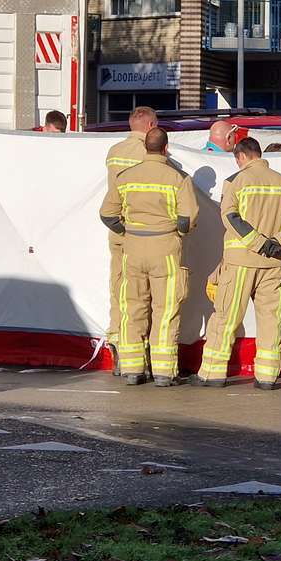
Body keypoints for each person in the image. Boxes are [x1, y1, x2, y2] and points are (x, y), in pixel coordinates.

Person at [197, 137, 281, 389]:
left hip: (240, 263)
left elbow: (230, 217)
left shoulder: (236, 181)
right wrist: (278, 242)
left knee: (225, 318)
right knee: (271, 321)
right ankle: (267, 377)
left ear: (241, 157)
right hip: (274, 265)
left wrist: (258, 242)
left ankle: (212, 374)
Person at [99, 127, 198, 385]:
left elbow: (107, 214)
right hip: (164, 247)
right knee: (165, 309)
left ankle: (133, 370)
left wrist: (128, 230)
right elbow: (188, 219)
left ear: (145, 148)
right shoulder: (178, 178)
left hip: (132, 247)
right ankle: (164, 372)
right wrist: (175, 230)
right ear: (166, 148)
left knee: (133, 306)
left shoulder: (125, 176)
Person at [102, 106, 159, 373]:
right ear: (150, 126)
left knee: (119, 289)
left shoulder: (114, 152)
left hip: (118, 231)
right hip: (143, 232)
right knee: (143, 295)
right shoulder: (150, 152)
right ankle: (141, 355)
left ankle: (118, 350)